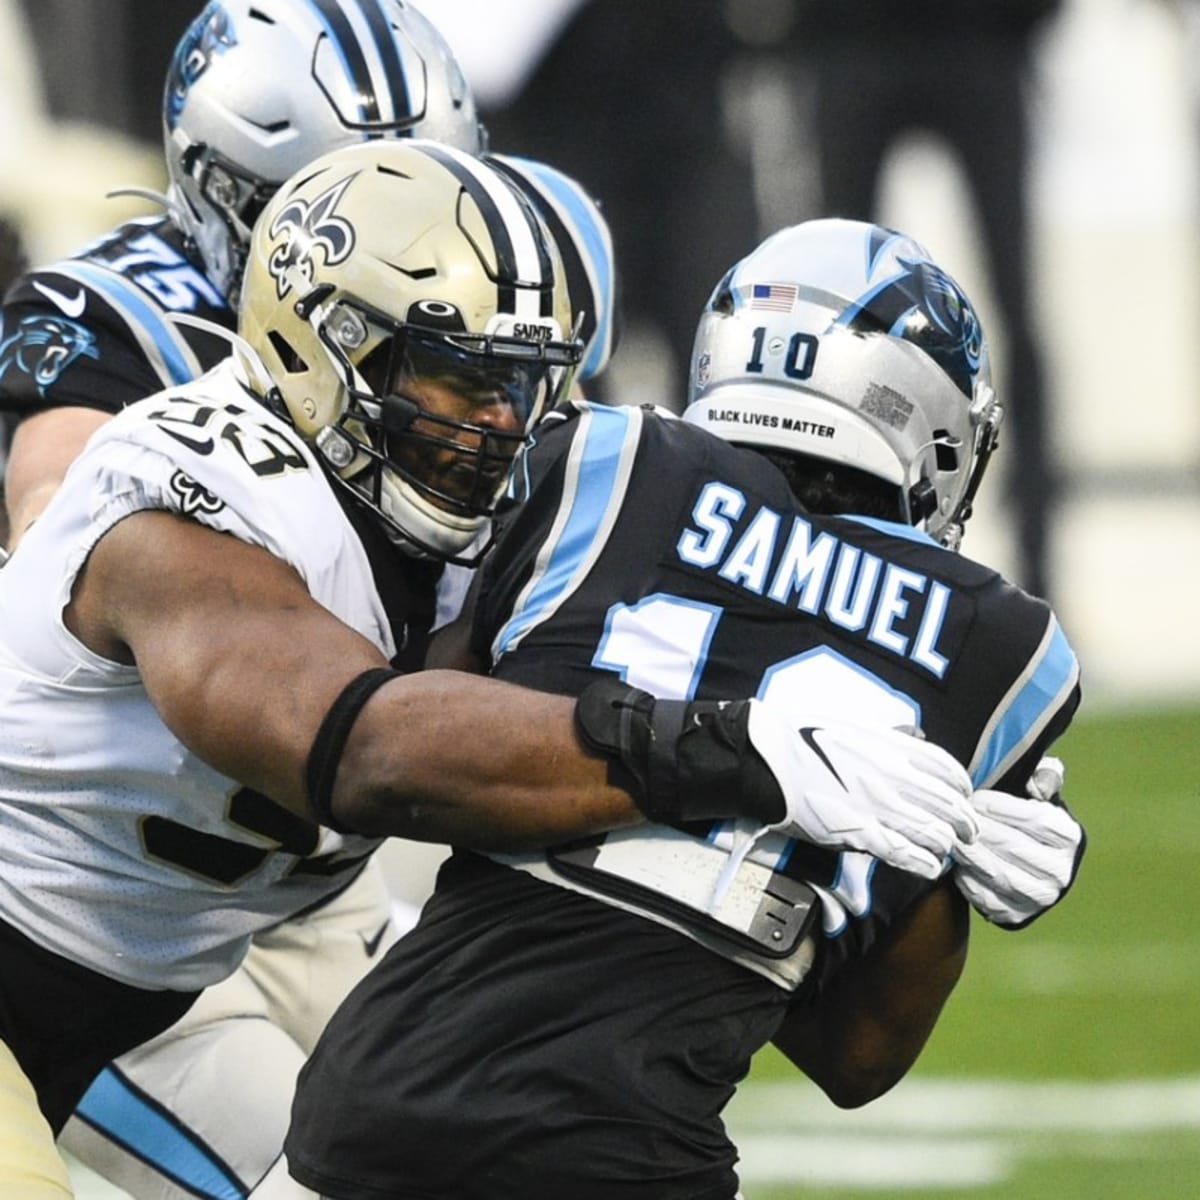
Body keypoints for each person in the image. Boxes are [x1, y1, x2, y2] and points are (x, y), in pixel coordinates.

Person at [0, 146, 980, 1200]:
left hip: (156, 993)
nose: (503, 423)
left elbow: (851, 1056)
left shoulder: (490, 523)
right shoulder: (185, 494)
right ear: (324, 345)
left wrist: (933, 826)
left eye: (526, 384)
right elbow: (362, 748)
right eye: (462, 376)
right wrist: (730, 746)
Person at [284, 218, 1085, 1200]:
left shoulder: (604, 465)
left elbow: (401, 740)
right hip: (622, 1149)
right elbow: (859, 1057)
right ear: (933, 419)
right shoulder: (998, 649)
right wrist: (933, 863)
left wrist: (947, 838)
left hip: (371, 1095)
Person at [0, 4, 610, 1196]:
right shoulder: (152, 410)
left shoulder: (473, 359)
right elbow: (66, 517)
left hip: (239, 893)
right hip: (111, 861)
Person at [777, 0, 1063, 600]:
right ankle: (820, 545)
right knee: (829, 311)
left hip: (971, 38)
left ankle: (1041, 571)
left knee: (1018, 313)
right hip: (857, 40)